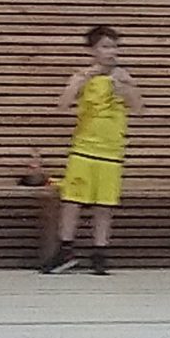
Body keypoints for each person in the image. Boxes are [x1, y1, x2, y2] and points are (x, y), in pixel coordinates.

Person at [43, 25, 145, 275]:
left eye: (114, 47)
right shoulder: (83, 76)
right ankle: (65, 249)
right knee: (72, 201)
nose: (112, 52)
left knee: (104, 205)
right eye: (105, 47)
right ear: (93, 50)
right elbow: (62, 105)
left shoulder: (123, 77)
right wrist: (80, 80)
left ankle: (100, 252)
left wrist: (126, 88)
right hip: (83, 149)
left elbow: (138, 108)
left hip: (111, 152)